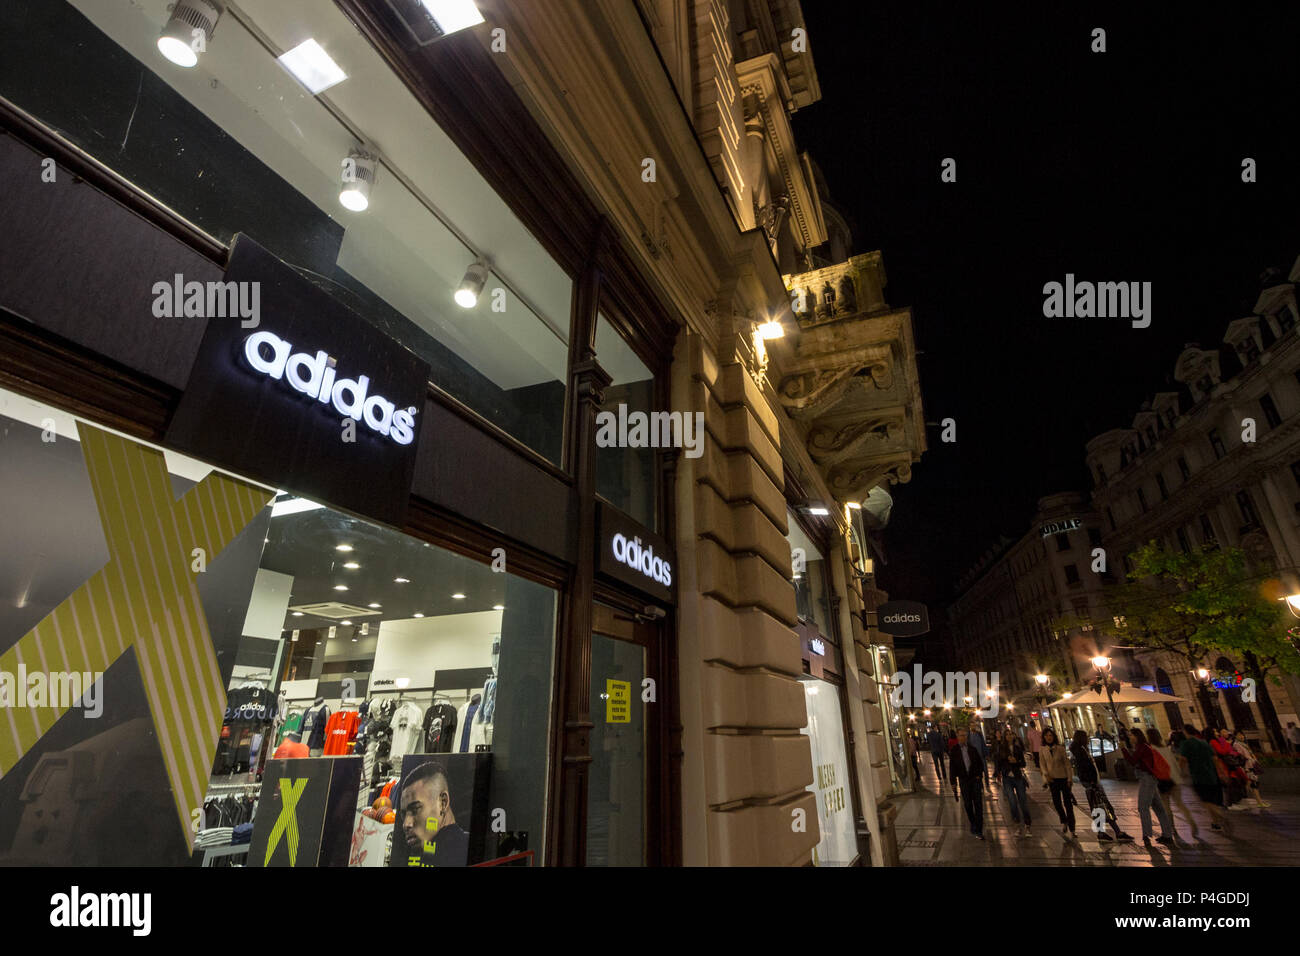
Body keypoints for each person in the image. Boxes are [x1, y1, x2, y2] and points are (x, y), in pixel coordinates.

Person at [397, 760, 470, 866]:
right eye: (403, 814)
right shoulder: (425, 852)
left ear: (443, 803)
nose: (406, 824)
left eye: (415, 809)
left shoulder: (467, 849)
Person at [1070, 729, 1133, 842]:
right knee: (1101, 807)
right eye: (1086, 737)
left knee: (1101, 807)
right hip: (1092, 784)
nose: (1088, 739)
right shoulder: (1080, 751)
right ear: (1082, 738)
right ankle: (1108, 833)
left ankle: (1113, 832)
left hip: (1092, 783)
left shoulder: (1081, 750)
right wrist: (1093, 782)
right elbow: (1085, 768)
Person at [1122, 727, 1178, 846]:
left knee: (1143, 807)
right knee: (1159, 808)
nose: (1130, 738)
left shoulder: (1142, 747)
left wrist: (1123, 748)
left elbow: (1132, 761)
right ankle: (1167, 835)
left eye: (1131, 735)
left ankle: (1146, 835)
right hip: (1150, 778)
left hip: (1147, 779)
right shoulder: (1143, 746)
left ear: (1137, 736)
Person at [1177, 726, 1231, 836]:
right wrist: (1222, 773)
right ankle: (1215, 823)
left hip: (1198, 776)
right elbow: (1215, 759)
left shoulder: (1186, 744)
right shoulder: (1204, 743)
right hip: (1212, 775)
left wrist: (1179, 772)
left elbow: (1183, 760)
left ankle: (1220, 816)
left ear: (1186, 732)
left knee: (1205, 801)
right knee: (1211, 800)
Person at [1156, 730, 1198, 839]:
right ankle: (1192, 822)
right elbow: (1176, 764)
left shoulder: (1153, 750)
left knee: (1166, 806)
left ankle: (1171, 829)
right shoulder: (1167, 749)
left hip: (1163, 780)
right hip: (1174, 779)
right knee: (1180, 804)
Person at [1037, 727, 1077, 840]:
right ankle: (1064, 820)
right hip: (1052, 780)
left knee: (1068, 804)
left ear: (1054, 737)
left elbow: (1067, 764)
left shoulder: (1060, 749)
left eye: (1050, 735)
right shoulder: (1042, 749)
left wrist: (1070, 779)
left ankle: (1073, 829)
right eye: (1047, 736)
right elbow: (1042, 764)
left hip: (1063, 778)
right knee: (1057, 803)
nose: (1049, 737)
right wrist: (1046, 775)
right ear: (1044, 737)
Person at [994, 729, 1032, 837]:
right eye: (1007, 735)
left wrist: (1017, 762)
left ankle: (1028, 824)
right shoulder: (1001, 749)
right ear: (1004, 737)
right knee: (1012, 802)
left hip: (1017, 777)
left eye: (1010, 734)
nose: (1009, 736)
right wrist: (998, 772)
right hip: (1007, 778)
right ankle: (1017, 824)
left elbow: (1023, 764)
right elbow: (998, 762)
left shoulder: (1018, 749)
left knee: (1023, 801)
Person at [950, 728, 986, 839]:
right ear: (957, 737)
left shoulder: (972, 749)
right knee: (968, 804)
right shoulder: (954, 750)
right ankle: (973, 822)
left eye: (965, 735)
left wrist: (979, 776)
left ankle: (979, 829)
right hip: (963, 780)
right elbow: (952, 767)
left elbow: (980, 764)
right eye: (961, 735)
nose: (963, 737)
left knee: (978, 803)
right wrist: (953, 782)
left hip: (974, 779)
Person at [1210, 728, 1250, 810]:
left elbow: (1229, 750)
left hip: (1230, 762)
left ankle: (1235, 800)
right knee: (1230, 782)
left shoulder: (1223, 740)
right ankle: (1230, 802)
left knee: (1235, 780)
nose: (1217, 733)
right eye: (1216, 732)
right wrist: (1228, 746)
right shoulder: (1215, 741)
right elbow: (1222, 751)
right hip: (1225, 763)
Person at [1230, 731, 1269, 809]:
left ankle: (1258, 802)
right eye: (1239, 735)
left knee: (1253, 784)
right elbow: (1240, 755)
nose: (1242, 736)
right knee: (1252, 784)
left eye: (1242, 735)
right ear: (1235, 736)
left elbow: (1249, 753)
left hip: (1251, 764)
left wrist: (1254, 759)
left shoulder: (1244, 744)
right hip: (1247, 766)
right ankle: (1257, 802)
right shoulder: (1236, 744)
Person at [968, 725, 991, 790]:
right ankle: (981, 786)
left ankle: (987, 783)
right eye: (971, 725)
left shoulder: (979, 734)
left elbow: (983, 744)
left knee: (985, 771)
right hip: (975, 758)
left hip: (982, 756)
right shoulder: (969, 736)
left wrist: (986, 754)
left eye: (973, 725)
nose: (973, 727)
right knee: (979, 772)